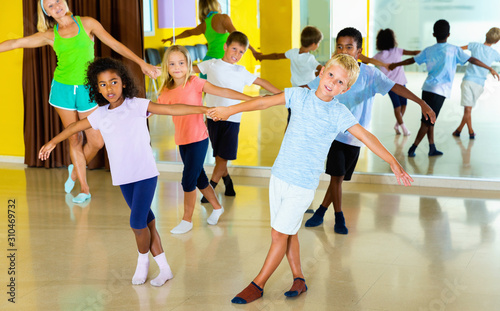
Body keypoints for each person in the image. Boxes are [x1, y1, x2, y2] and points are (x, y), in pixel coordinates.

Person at [207, 54, 414, 304]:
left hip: (302, 184)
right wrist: (229, 110)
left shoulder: (339, 113)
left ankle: (257, 284)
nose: (333, 83)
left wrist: (393, 161)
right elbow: (263, 103)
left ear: (346, 89)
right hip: (279, 176)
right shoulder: (299, 95)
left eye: (340, 82)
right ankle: (299, 279)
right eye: (331, 76)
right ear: (322, 71)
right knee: (289, 231)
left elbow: (366, 137)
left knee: (278, 235)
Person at [39, 58, 207, 286]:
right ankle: (165, 269)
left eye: (114, 82)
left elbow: (170, 109)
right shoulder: (100, 114)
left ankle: (142, 263)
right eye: (103, 84)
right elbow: (73, 128)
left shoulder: (136, 105)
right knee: (147, 222)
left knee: (137, 223)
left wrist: (206, 109)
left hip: (145, 173)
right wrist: (51, 143)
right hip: (123, 177)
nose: (109, 88)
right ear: (96, 88)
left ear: (124, 83)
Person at [0, 0, 160, 204]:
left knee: (96, 141)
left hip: (87, 90)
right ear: (46, 12)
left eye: (57, 0)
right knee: (74, 138)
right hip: (62, 91)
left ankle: (75, 170)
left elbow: (114, 44)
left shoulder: (87, 23)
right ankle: (84, 189)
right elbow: (16, 43)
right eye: (50, 5)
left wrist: (141, 63)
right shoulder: (50, 35)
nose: (56, 5)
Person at [304, 27, 435, 235]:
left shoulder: (370, 74)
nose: (344, 51)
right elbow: (308, 87)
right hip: (332, 133)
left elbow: (395, 87)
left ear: (358, 51)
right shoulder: (332, 70)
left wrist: (421, 102)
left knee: (338, 179)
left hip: (356, 137)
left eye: (349, 47)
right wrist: (281, 95)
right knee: (336, 176)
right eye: (339, 46)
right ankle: (339, 217)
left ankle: (320, 211)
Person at [158, 45, 254, 234]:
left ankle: (187, 220)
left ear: (188, 65)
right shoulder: (166, 91)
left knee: (188, 180)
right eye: (172, 64)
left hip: (198, 139)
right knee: (200, 179)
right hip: (182, 140)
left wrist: (248, 100)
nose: (177, 67)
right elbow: (154, 109)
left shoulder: (195, 82)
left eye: (181, 63)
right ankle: (218, 207)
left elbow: (224, 92)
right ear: (166, 67)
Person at [193, 31, 281, 202]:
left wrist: (282, 94)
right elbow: (189, 69)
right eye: (234, 49)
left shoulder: (241, 71)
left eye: (241, 52)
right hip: (212, 117)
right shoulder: (211, 64)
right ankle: (228, 181)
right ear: (225, 47)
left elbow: (261, 82)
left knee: (223, 157)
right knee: (220, 156)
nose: (237, 54)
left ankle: (210, 190)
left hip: (231, 120)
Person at [389, 20, 499, 157]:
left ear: (434, 34)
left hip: (427, 88)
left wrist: (395, 64)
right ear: (449, 34)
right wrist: (489, 68)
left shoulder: (429, 50)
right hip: (439, 91)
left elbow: (411, 60)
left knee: (429, 119)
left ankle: (432, 147)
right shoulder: (454, 50)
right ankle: (413, 148)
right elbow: (473, 60)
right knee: (426, 121)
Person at [161, 0, 257, 79]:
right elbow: (239, 38)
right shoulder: (223, 18)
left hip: (208, 62)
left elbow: (188, 32)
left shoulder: (204, 24)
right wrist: (253, 51)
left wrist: (173, 38)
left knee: (209, 95)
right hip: (222, 61)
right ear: (215, 4)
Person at [453, 27, 500, 139]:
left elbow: (458, 49)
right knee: (468, 109)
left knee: (467, 110)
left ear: (486, 35)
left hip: (468, 81)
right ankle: (469, 132)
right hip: (479, 85)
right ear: (496, 41)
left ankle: (461, 130)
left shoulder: (474, 45)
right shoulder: (494, 53)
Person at [373, 28, 421, 136]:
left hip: (400, 82)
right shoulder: (391, 52)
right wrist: (424, 53)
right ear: (392, 39)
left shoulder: (382, 55)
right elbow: (413, 52)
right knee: (397, 106)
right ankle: (404, 128)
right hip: (391, 85)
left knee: (403, 105)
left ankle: (397, 125)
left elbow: (368, 61)